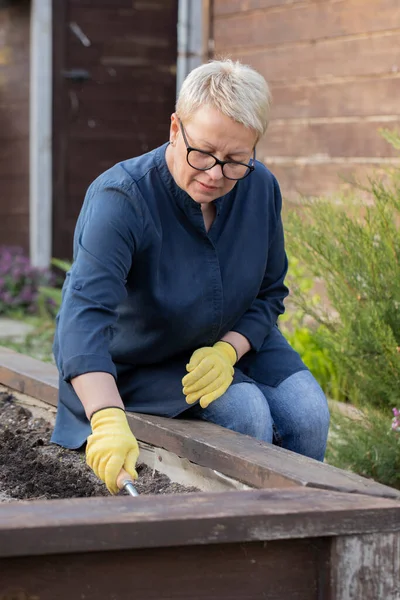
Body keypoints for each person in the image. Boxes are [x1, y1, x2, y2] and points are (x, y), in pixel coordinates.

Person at [51, 59, 330, 494]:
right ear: (175, 128)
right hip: (147, 356)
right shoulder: (121, 198)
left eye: (236, 160)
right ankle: (230, 542)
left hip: (234, 340)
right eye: (202, 153)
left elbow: (270, 293)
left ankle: (295, 533)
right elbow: (82, 319)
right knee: (246, 414)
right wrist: (105, 415)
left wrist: (227, 351)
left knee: (310, 413)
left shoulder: (260, 189)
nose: (215, 174)